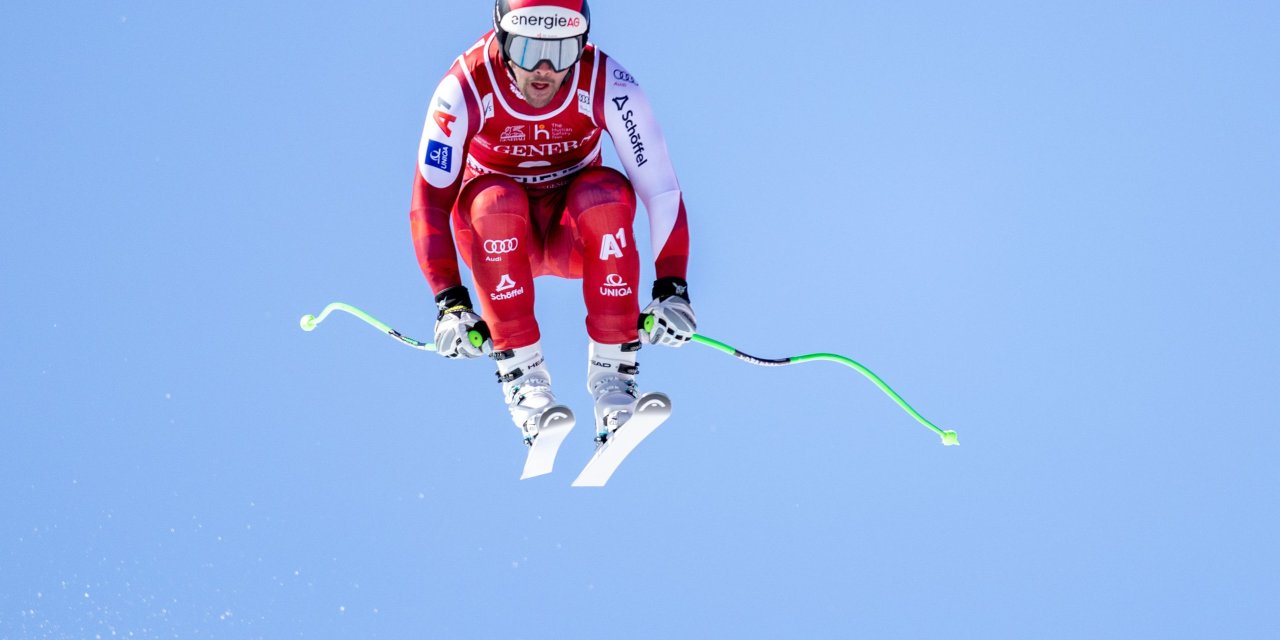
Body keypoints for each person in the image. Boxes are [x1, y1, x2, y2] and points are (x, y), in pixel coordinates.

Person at [410, 0, 696, 444]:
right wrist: (450, 304)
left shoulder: (609, 83)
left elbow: (659, 189)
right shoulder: (464, 87)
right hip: (500, 241)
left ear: (581, 46)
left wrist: (672, 288)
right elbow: (429, 201)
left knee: (604, 192)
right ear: (502, 41)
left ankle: (614, 385)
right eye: (526, 50)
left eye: (561, 52)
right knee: (495, 201)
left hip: (575, 237)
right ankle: (526, 387)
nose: (543, 68)